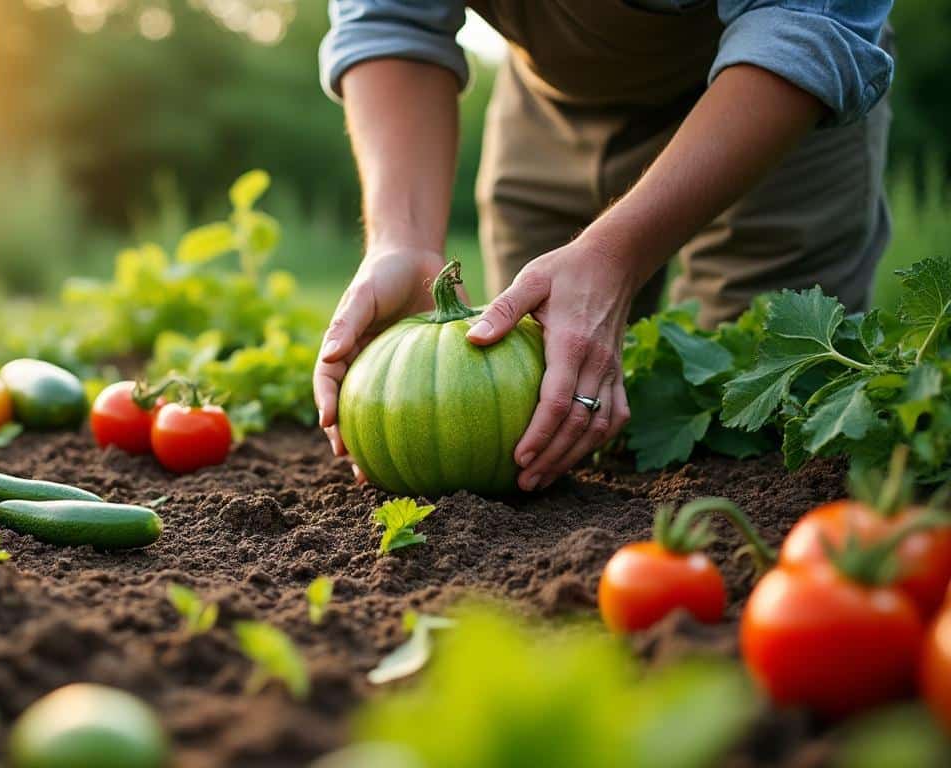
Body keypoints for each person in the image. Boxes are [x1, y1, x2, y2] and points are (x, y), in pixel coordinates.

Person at [313, 1, 894, 492]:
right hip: (551, 97)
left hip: (771, 91)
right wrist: (403, 238)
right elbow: (391, 18)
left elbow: (805, 23)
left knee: (752, 417)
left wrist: (617, 253)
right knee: (552, 394)